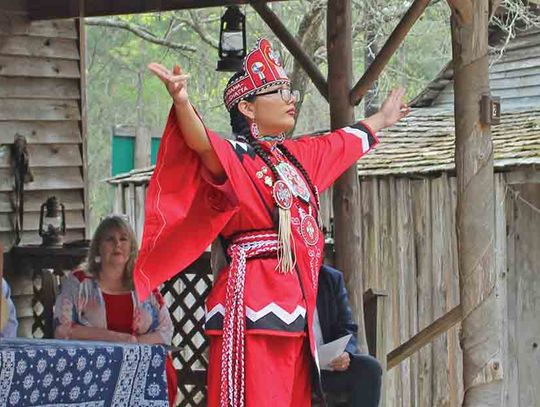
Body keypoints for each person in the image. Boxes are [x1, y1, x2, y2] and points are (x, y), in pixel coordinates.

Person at [135, 38, 408, 407]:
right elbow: (201, 144)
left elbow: (342, 143)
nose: (290, 98)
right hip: (253, 311)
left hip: (295, 314)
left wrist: (382, 120)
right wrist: (182, 103)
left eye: (289, 91)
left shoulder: (297, 159)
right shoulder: (238, 159)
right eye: (278, 92)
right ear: (247, 107)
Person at [53, 215, 177, 406]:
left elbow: (166, 331)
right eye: (109, 239)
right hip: (93, 364)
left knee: (162, 366)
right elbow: (62, 330)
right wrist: (116, 339)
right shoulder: (78, 282)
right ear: (98, 247)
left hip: (137, 363)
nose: (117, 244)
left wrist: (134, 344)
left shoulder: (144, 284)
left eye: (123, 239)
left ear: (131, 247)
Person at [315, 264, 382, 406]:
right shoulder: (283, 278)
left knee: (370, 368)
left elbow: (347, 326)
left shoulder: (331, 278)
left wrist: (346, 353)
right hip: (296, 368)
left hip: (327, 365)